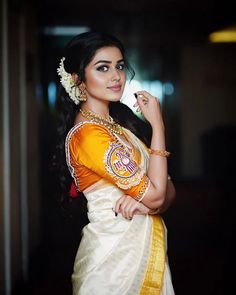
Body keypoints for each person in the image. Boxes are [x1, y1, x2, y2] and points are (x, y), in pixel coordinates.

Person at [56, 31, 176, 295]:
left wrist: (147, 204)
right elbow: (158, 195)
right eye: (103, 68)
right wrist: (158, 126)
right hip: (112, 267)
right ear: (78, 80)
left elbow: (167, 190)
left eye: (119, 66)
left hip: (136, 255)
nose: (116, 76)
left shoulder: (120, 126)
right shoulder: (88, 135)